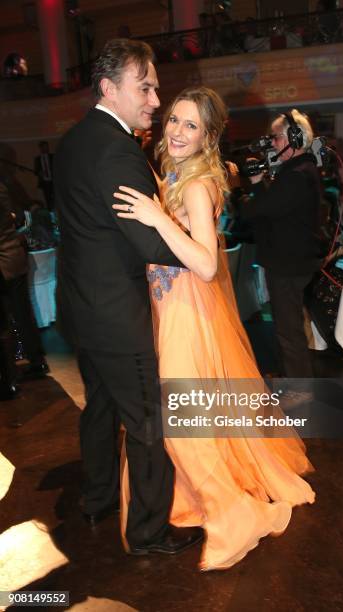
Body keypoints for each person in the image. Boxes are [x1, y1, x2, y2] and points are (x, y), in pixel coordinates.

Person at [113, 87, 315, 571]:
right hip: (167, 306)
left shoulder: (198, 184)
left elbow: (205, 264)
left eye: (191, 126)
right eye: (175, 121)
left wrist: (157, 219)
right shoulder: (175, 174)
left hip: (185, 309)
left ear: (207, 137)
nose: (178, 132)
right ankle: (191, 494)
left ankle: (227, 506)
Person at [53, 39, 202, 556]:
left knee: (98, 409)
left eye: (156, 87)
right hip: (117, 314)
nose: (157, 100)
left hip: (80, 307)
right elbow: (148, 240)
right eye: (146, 87)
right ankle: (148, 533)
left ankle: (96, 500)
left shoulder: (72, 142)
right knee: (144, 423)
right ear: (109, 88)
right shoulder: (117, 149)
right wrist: (198, 251)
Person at [242, 110, 321, 378]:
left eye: (276, 138)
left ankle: (300, 390)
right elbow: (271, 208)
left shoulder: (296, 175)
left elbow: (258, 210)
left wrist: (254, 185)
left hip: (288, 264)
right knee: (290, 328)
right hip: (291, 261)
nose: (272, 144)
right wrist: (259, 183)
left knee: (289, 332)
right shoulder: (299, 171)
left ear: (295, 138)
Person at [0, 184, 49, 400]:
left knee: (7, 323)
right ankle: (35, 361)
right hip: (13, 258)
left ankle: (8, 378)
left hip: (5, 264)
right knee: (21, 315)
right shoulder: (3, 185)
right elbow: (17, 216)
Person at [34, 141, 54, 211]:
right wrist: (39, 173)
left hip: (53, 181)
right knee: (48, 200)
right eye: (44, 147)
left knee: (55, 199)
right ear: (41, 148)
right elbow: (35, 171)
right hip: (44, 182)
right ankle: (53, 218)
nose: (46, 148)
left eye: (47, 146)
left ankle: (58, 215)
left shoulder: (52, 156)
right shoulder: (37, 159)